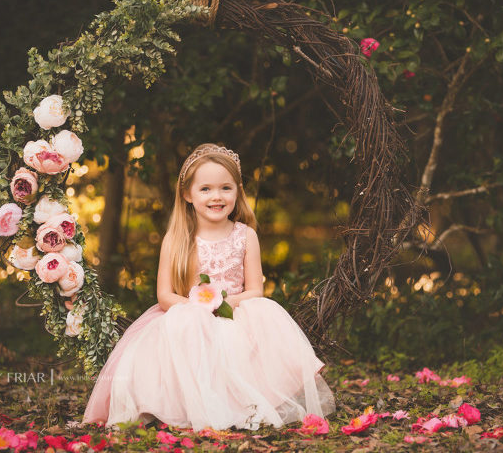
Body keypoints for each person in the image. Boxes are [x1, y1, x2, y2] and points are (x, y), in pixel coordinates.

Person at [83, 143, 335, 431]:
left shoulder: (245, 235)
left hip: (234, 313)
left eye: (225, 188)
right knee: (189, 326)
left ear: (237, 191)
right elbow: (165, 296)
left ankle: (241, 407)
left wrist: (222, 304)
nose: (216, 197)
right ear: (188, 194)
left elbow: (256, 290)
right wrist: (198, 309)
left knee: (260, 315)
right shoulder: (178, 238)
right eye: (205, 189)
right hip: (189, 315)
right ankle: (186, 407)